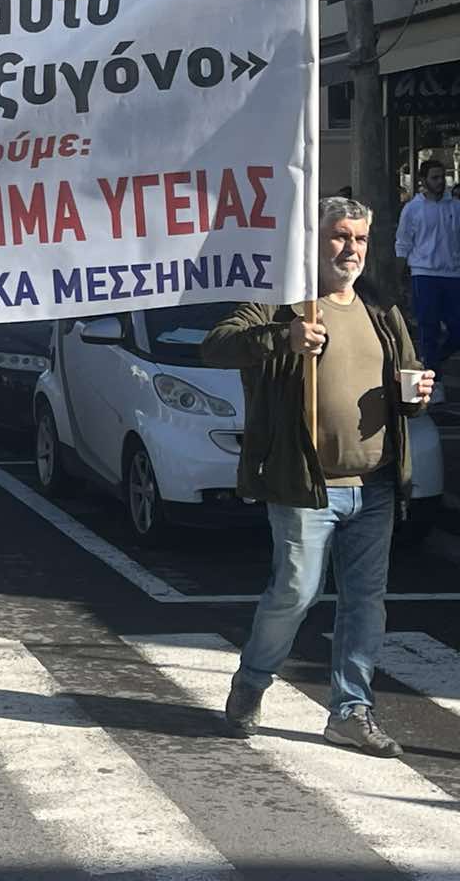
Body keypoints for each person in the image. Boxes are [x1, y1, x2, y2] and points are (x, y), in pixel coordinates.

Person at [205, 195, 432, 757]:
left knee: (365, 602)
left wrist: (416, 396)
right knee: (295, 592)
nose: (351, 248)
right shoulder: (280, 302)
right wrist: (283, 337)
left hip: (375, 485)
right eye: (340, 236)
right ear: (314, 240)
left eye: (360, 238)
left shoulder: (380, 308)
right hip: (305, 484)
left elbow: (407, 380)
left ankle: (351, 710)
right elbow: (217, 346)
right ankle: (252, 681)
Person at [394, 157, 460, 397]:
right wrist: (400, 276)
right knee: (428, 327)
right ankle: (435, 379)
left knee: (457, 328)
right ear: (423, 181)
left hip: (453, 274)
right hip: (424, 274)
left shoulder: (455, 207)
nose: (440, 182)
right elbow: (403, 242)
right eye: (435, 178)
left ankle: (431, 361)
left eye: (443, 177)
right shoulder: (413, 209)